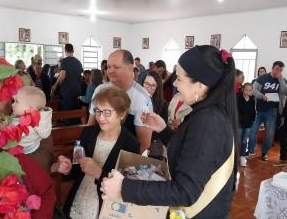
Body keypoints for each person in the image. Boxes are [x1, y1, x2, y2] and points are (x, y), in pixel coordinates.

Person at [101, 45, 238, 219]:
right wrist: (164, 130)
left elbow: (185, 191)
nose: (173, 83)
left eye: (179, 79)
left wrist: (124, 188)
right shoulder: (208, 113)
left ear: (201, 86)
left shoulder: (208, 121)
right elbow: (193, 153)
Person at [55, 86, 140, 219]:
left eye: (107, 113)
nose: (100, 118)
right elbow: (77, 170)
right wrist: (68, 169)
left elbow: (126, 186)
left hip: (106, 207)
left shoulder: (131, 144)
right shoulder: (88, 133)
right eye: (98, 111)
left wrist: (99, 173)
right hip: (80, 197)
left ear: (122, 114)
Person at [87, 50, 153, 153]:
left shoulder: (142, 98)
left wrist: (121, 166)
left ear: (131, 67)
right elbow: (90, 126)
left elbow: (144, 143)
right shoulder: (100, 90)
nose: (110, 71)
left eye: (116, 67)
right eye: (108, 67)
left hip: (124, 158)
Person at [248, 61, 287, 160]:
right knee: (252, 132)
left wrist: (281, 80)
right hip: (259, 110)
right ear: (272, 68)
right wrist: (261, 96)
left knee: (269, 134)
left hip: (272, 111)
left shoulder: (282, 80)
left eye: (280, 70)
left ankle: (264, 153)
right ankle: (250, 151)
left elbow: (286, 92)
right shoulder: (262, 78)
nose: (277, 71)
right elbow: (253, 90)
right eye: (276, 69)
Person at [12, 86, 53, 171]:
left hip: (28, 151)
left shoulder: (29, 124)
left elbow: (12, 137)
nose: (13, 104)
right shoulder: (22, 114)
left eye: (16, 102)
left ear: (29, 109)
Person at [51, 43, 84, 124]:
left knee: (68, 115)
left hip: (67, 92)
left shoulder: (64, 61)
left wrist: (55, 85)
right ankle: (76, 133)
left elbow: (62, 76)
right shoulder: (78, 62)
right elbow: (81, 75)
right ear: (73, 50)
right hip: (77, 91)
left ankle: (68, 134)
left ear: (65, 51)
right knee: (76, 114)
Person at [141, 70, 168, 159]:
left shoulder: (163, 104)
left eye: (153, 86)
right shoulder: (134, 101)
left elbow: (162, 130)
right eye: (146, 84)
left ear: (157, 87)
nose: (148, 88)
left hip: (153, 146)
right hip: (135, 143)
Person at [237, 83, 256, 167]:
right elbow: (237, 111)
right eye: (246, 89)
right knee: (238, 140)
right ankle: (235, 156)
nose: (247, 91)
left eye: (250, 90)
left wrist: (252, 120)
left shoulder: (252, 99)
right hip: (239, 123)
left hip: (248, 124)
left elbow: (253, 111)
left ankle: (242, 156)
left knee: (244, 141)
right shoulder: (238, 98)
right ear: (243, 89)